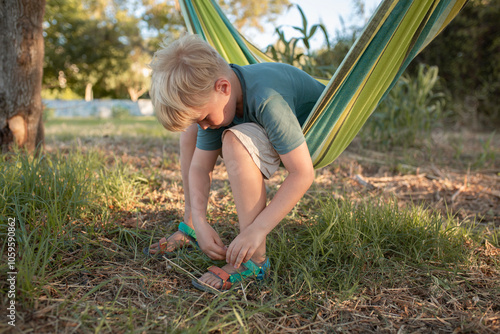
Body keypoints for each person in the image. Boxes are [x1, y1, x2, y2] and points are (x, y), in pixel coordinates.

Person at [145, 34, 325, 292]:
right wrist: (200, 218)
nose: (205, 124)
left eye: (205, 117)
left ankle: (254, 261)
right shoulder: (216, 97)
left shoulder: (267, 100)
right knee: (190, 131)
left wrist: (257, 230)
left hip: (308, 130)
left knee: (233, 142)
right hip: (267, 128)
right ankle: (192, 227)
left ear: (223, 88)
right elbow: (199, 167)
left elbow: (302, 174)